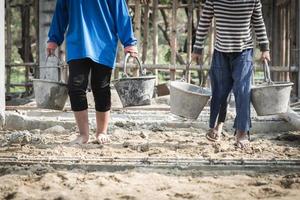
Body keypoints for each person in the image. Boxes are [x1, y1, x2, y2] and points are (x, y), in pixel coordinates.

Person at [47, 0, 138, 144]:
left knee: (101, 87)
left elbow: (121, 14)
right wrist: (53, 39)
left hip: (104, 44)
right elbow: (60, 13)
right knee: (75, 87)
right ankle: (83, 134)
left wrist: (129, 42)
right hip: (77, 42)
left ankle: (102, 132)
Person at [192, 0, 271, 148]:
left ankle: (242, 131)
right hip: (221, 50)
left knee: (242, 91)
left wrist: (265, 48)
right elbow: (204, 22)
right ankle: (217, 125)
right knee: (220, 91)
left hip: (244, 51)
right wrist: (197, 48)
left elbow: (259, 22)